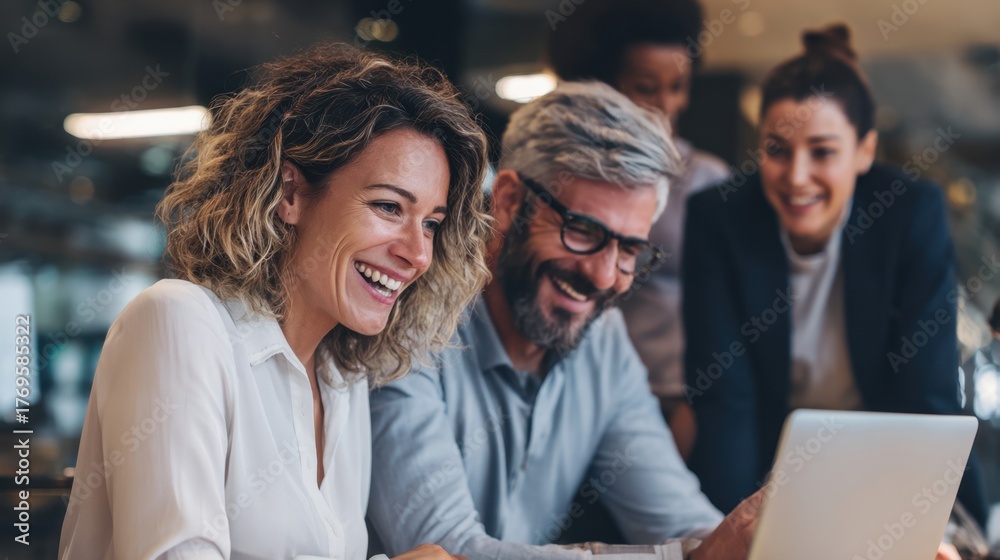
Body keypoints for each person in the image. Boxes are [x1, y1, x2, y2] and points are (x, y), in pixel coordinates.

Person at [58, 43, 491, 560]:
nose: (418, 253)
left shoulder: (341, 379)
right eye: (388, 206)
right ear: (290, 193)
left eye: (431, 224)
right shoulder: (177, 321)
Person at [367, 81, 762, 560]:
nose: (602, 275)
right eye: (582, 231)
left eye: (629, 250)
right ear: (510, 201)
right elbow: (448, 551)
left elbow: (680, 517)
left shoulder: (605, 344)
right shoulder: (408, 321)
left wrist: (751, 541)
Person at [682, 23, 989, 541]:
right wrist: (726, 533)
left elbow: (926, 393)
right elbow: (725, 402)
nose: (796, 176)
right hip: (768, 465)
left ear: (864, 151)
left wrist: (925, 523)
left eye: (822, 152)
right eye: (777, 150)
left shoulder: (910, 213)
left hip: (892, 452)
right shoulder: (720, 219)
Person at [547, 0, 729, 458]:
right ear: (606, 87)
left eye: (678, 86)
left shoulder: (708, 181)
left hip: (677, 398)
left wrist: (695, 403)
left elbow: (730, 315)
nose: (666, 105)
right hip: (587, 391)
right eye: (647, 88)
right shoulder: (573, 177)